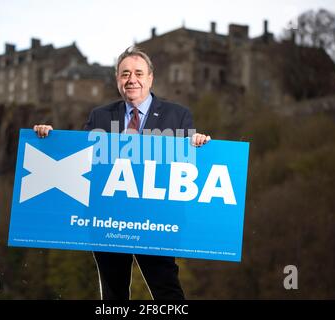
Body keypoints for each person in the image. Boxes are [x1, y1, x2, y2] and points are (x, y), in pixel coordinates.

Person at [34, 46, 210, 300]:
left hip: (156, 221)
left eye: (138, 73)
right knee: (113, 296)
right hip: (109, 220)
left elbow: (191, 163)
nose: (132, 79)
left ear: (150, 78)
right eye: (125, 73)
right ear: (117, 79)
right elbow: (82, 159)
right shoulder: (100, 116)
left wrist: (200, 143)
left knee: (168, 293)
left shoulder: (177, 115)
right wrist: (50, 140)